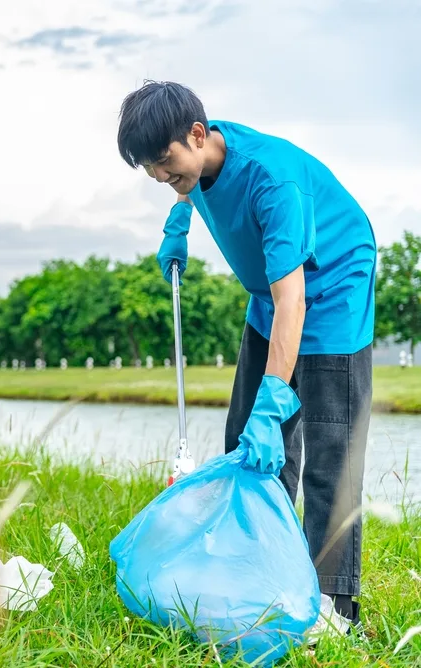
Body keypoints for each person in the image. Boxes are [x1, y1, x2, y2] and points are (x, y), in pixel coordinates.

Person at [116, 81, 376, 632]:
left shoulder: (272, 181)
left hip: (329, 290)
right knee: (248, 442)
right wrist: (180, 218)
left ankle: (333, 606)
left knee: (330, 450)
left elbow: (294, 301)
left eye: (166, 164)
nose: (162, 177)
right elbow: (195, 182)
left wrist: (275, 399)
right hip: (270, 294)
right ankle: (262, 573)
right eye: (151, 171)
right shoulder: (200, 154)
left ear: (196, 134)